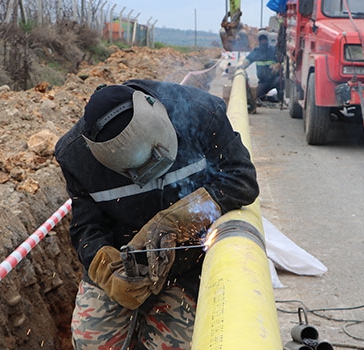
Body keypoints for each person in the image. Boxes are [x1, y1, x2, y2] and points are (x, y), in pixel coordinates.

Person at [54, 80, 259, 349]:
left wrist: (179, 220)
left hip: (189, 258)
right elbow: (86, 226)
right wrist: (106, 268)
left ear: (158, 113)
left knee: (172, 344)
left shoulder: (201, 114)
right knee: (92, 341)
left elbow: (241, 181)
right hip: (123, 260)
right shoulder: (76, 157)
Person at [239, 30, 283, 104]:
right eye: (261, 40)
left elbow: (282, 61)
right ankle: (266, 98)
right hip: (263, 82)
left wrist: (277, 65)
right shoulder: (256, 51)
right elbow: (248, 60)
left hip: (274, 80)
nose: (263, 41)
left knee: (280, 81)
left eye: (264, 39)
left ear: (267, 40)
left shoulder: (273, 50)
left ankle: (280, 99)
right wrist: (241, 67)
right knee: (256, 95)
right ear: (259, 41)